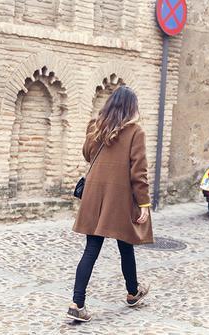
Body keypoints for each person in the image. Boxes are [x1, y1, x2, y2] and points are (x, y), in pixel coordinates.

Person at [67, 86, 153, 322]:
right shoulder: (135, 132)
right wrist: (144, 202)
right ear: (131, 107)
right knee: (125, 243)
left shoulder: (96, 126)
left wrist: (93, 131)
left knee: (92, 248)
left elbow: (87, 154)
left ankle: (78, 303)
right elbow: (139, 172)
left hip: (94, 194)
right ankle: (132, 292)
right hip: (119, 198)